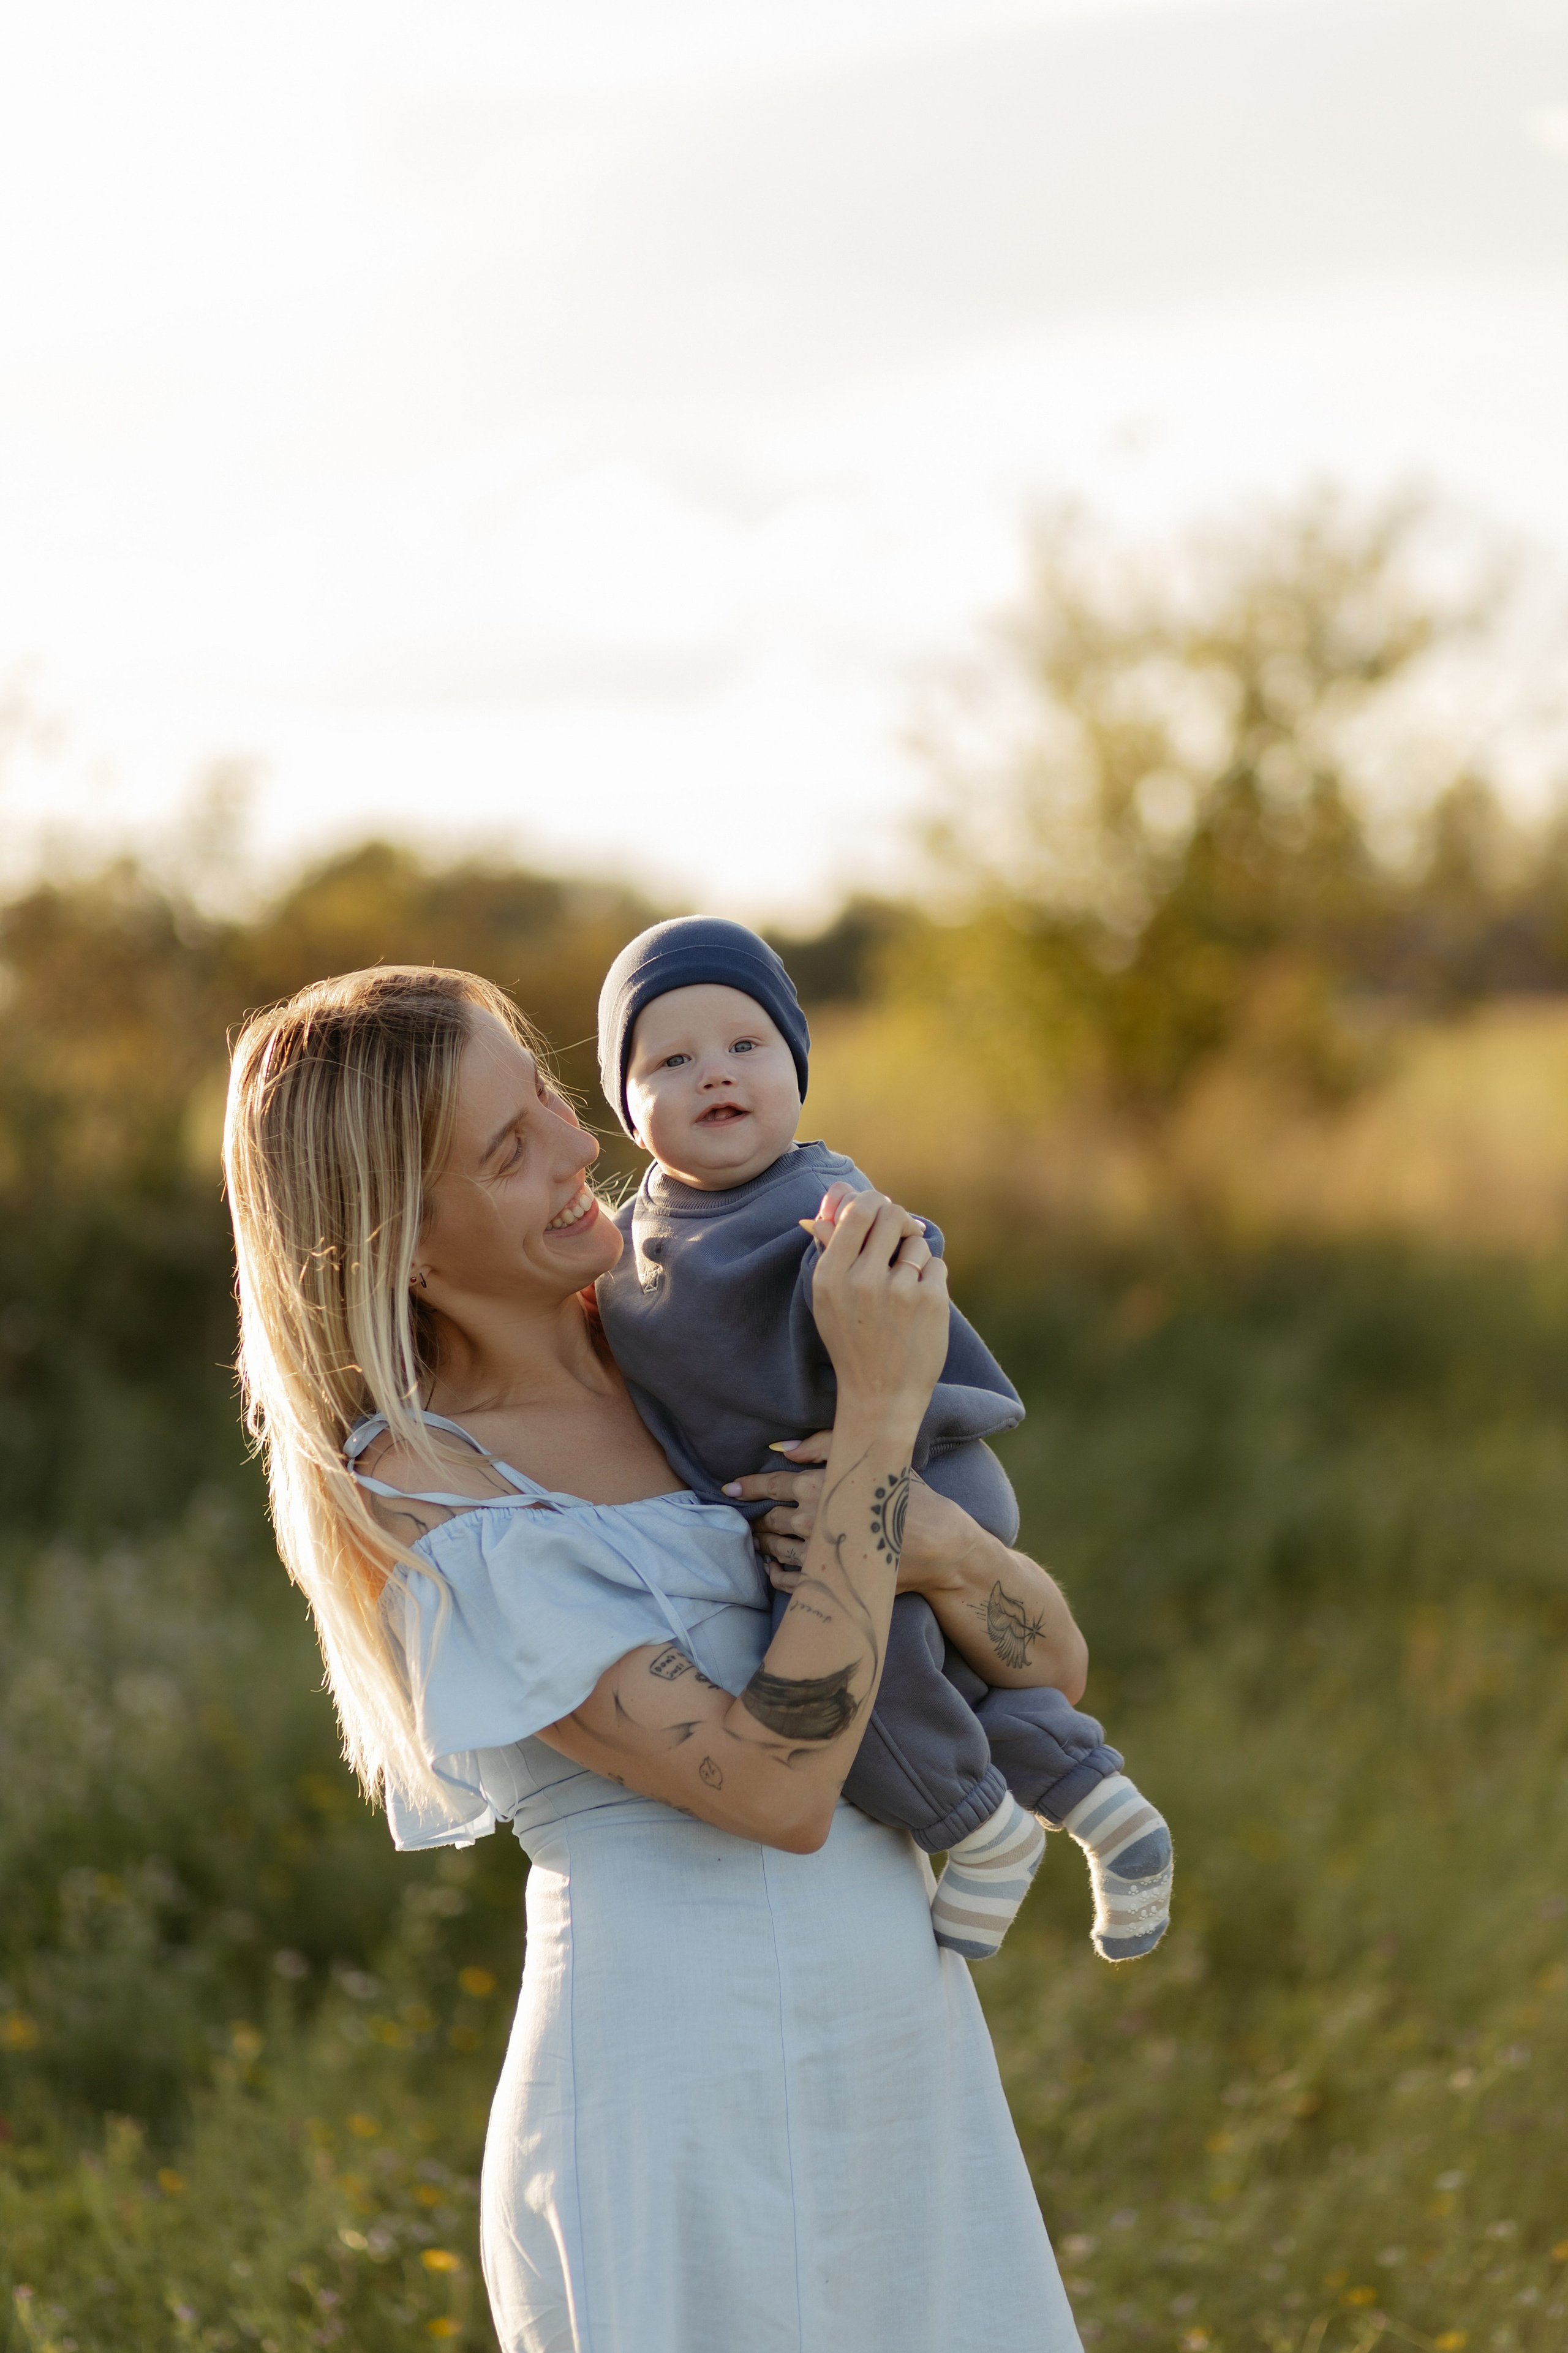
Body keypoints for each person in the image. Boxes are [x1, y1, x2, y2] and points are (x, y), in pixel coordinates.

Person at [223, 963, 1085, 2353]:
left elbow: (1052, 1665)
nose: (581, 1149)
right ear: (405, 1246)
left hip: (896, 2041)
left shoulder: (701, 1339)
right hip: (682, 2084)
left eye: (552, 1103)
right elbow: (774, 1788)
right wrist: (872, 1423)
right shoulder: (436, 1492)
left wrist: (952, 1549)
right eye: (509, 1152)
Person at [594, 916, 1173, 1963]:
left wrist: (874, 1273)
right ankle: (1106, 1805)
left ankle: (980, 1830)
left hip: (916, 1468)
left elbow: (908, 1270)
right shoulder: (637, 1243)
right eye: (670, 1060)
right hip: (818, 1497)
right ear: (625, 1107)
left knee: (858, 1683)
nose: (714, 1075)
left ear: (797, 1065)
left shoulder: (821, 1201)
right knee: (957, 1685)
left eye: (746, 1046)